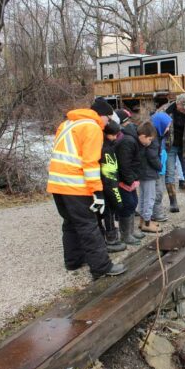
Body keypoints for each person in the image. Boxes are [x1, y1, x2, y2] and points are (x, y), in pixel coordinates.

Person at [47, 98, 126, 279]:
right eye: (109, 118)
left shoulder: (67, 124)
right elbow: (90, 163)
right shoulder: (92, 128)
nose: (109, 123)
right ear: (102, 116)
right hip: (75, 185)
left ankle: (73, 261)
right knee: (88, 225)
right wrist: (97, 192)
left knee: (70, 223)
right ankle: (101, 267)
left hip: (57, 184)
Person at [115, 109, 146, 245]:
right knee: (127, 205)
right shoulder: (125, 140)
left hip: (131, 178)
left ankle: (131, 231)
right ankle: (125, 234)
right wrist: (129, 180)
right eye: (126, 122)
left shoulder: (129, 137)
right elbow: (124, 164)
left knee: (133, 202)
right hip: (125, 180)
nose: (129, 124)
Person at [98, 120, 125, 252]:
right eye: (113, 135)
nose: (115, 138)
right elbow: (110, 176)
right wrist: (117, 199)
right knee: (108, 212)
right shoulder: (106, 150)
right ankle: (111, 240)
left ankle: (108, 238)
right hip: (107, 186)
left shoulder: (105, 146)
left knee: (106, 212)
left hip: (103, 185)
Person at [136, 121, 161, 233]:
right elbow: (152, 157)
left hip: (142, 172)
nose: (150, 142)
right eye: (150, 139)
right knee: (150, 198)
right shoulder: (148, 144)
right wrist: (160, 166)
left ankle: (142, 221)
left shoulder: (141, 142)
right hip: (149, 173)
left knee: (142, 197)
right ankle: (147, 222)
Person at [150, 112, 172, 220]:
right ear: (160, 125)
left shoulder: (160, 136)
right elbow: (152, 156)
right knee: (157, 192)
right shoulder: (153, 139)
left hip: (160, 168)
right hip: (156, 169)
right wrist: (159, 166)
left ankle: (156, 212)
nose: (168, 129)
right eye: (166, 126)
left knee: (158, 191)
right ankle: (156, 214)